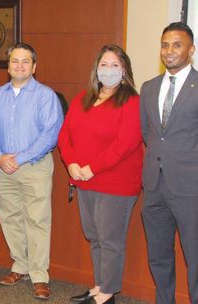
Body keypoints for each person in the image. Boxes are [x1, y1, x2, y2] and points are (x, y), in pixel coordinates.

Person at [58, 45, 142, 304]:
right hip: (84, 180)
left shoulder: (132, 101)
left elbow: (125, 144)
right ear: (96, 69)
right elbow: (65, 134)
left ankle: (108, 293)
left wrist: (92, 168)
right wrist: (71, 163)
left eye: (114, 65)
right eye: (103, 65)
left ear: (124, 70)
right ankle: (100, 285)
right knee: (94, 236)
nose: (108, 70)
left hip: (114, 183)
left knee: (110, 240)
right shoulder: (84, 97)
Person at [0, 43, 63, 300]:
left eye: (25, 61)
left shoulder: (46, 96)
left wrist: (21, 158)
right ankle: (20, 265)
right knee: (10, 217)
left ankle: (39, 275)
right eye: (14, 61)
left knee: (37, 220)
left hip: (35, 168)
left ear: (34, 66)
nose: (19, 65)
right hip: (4, 169)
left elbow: (51, 134)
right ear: (8, 66)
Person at [140, 22, 198, 304]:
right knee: (159, 256)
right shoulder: (149, 88)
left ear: (191, 49)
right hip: (154, 186)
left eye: (177, 45)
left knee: (196, 259)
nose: (169, 51)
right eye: (165, 45)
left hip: (191, 188)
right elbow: (148, 134)